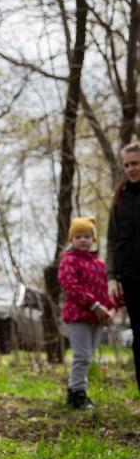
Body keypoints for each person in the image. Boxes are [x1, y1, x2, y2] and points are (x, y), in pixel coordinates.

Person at [59, 217, 116, 410]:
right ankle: (77, 394)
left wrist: (110, 308)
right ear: (72, 239)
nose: (82, 240)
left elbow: (104, 290)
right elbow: (71, 286)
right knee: (82, 355)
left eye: (86, 236)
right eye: (78, 236)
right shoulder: (69, 260)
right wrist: (94, 305)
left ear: (93, 239)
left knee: (88, 356)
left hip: (97, 318)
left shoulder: (99, 264)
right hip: (78, 316)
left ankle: (74, 391)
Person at [107, 142, 140, 394]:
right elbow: (111, 240)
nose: (131, 169)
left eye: (135, 163)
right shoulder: (120, 197)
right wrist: (111, 277)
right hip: (130, 279)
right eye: (127, 165)